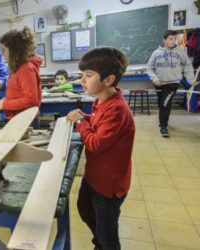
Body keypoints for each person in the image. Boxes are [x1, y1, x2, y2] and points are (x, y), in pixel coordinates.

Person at [66, 47, 135, 250]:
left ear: (108, 80)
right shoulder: (101, 101)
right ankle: (100, 243)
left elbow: (95, 143)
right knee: (84, 208)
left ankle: (104, 244)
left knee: (108, 235)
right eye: (82, 75)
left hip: (109, 184)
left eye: (88, 75)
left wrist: (80, 123)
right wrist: (86, 117)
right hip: (95, 176)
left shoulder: (117, 110)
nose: (82, 80)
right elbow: (98, 124)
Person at [146, 30, 196, 137]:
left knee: (165, 103)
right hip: (159, 83)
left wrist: (191, 80)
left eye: (175, 39)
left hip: (173, 83)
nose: (174, 41)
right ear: (164, 40)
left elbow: (187, 65)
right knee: (162, 103)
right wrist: (154, 78)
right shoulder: (156, 53)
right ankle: (163, 121)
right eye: (171, 38)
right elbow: (148, 68)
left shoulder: (180, 52)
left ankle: (164, 127)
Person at [0, 26, 42, 128]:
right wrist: (5, 100)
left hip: (24, 120)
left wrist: (5, 104)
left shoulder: (26, 69)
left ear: (14, 50)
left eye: (4, 50)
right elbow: (18, 93)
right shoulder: (18, 68)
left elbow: (30, 100)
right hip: (17, 119)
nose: (3, 55)